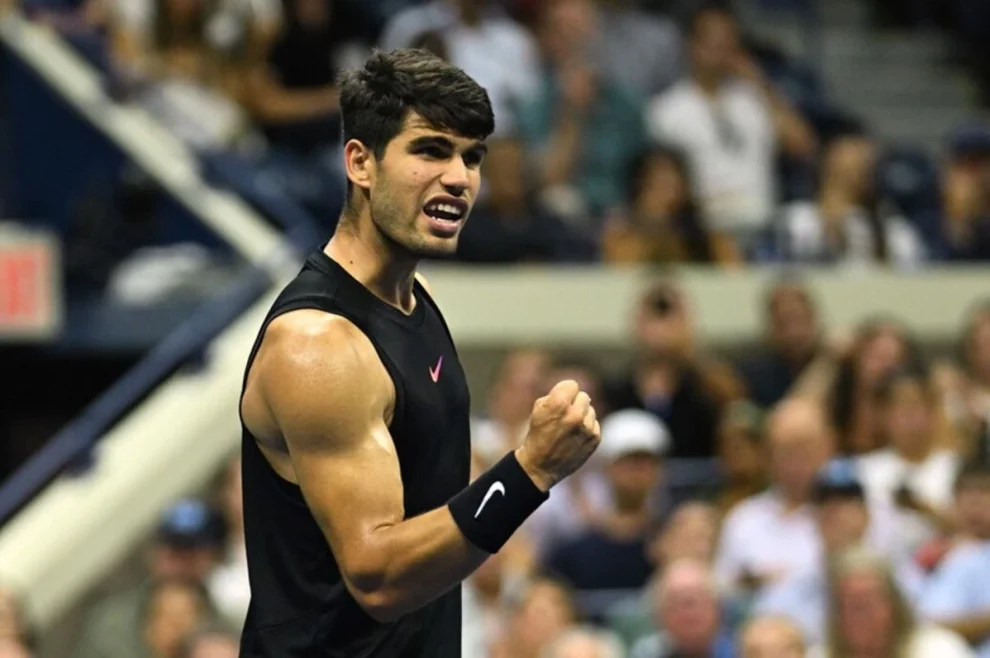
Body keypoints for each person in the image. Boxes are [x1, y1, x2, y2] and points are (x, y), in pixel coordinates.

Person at [237, 48, 602, 657]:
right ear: (361, 162)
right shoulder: (317, 346)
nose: (459, 178)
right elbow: (377, 577)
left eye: (472, 157)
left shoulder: (417, 298)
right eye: (431, 151)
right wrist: (530, 470)